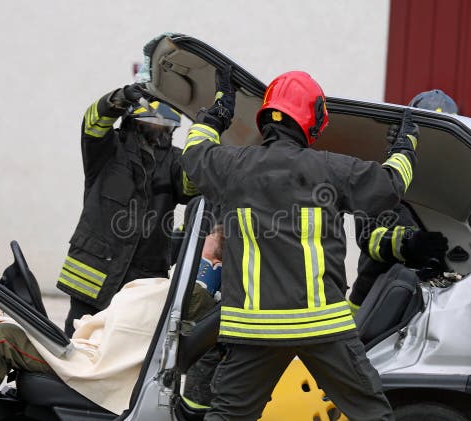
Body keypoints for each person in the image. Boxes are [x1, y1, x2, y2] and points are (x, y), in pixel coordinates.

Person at [180, 67, 419, 421]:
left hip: (254, 328)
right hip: (321, 328)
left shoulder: (232, 166)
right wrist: (405, 145)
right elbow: (391, 185)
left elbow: (194, 152)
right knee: (371, 414)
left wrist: (217, 113)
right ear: (314, 119)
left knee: (229, 415)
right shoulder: (330, 168)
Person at [0, 230, 224, 417]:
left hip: (97, 364)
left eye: (204, 246)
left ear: (214, 262)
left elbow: (131, 324)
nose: (194, 248)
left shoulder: (190, 295)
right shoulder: (181, 290)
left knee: (5, 336)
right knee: (14, 326)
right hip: (93, 350)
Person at [57, 83, 194, 336]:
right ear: (134, 120)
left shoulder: (175, 161)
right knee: (78, 342)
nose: (161, 129)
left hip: (142, 280)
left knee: (126, 351)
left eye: (167, 125)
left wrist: (208, 134)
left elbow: (197, 184)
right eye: (155, 122)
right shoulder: (107, 150)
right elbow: (93, 122)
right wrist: (118, 98)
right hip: (94, 275)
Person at [349, 89, 456, 310]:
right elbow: (370, 238)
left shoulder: (452, 187)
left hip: (427, 308)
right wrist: (408, 242)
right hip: (373, 305)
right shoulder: (387, 176)